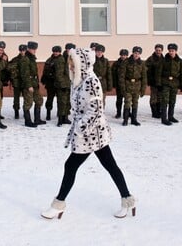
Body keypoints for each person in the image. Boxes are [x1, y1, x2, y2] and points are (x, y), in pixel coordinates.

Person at [41, 48, 136, 220]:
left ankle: (58, 204)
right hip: (90, 134)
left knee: (71, 166)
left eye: (72, 63)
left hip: (92, 134)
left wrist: (79, 129)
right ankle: (128, 200)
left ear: (81, 64)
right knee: (110, 166)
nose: (69, 66)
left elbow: (96, 110)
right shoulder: (78, 80)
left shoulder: (91, 81)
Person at [157, 43, 182, 126]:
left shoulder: (179, 61)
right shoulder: (164, 60)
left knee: (172, 101)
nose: (171, 52)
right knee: (165, 101)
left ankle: (171, 116)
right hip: (165, 83)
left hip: (175, 83)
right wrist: (159, 84)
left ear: (176, 51)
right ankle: (164, 118)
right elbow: (159, 72)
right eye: (169, 51)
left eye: (172, 51)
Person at [118, 46, 146, 126]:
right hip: (128, 85)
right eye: (135, 53)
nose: (136, 55)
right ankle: (125, 119)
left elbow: (144, 77)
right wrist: (123, 88)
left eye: (138, 53)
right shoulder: (126, 62)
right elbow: (122, 76)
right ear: (132, 53)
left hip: (137, 86)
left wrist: (143, 89)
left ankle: (134, 119)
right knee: (127, 102)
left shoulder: (142, 63)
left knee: (135, 103)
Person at [23, 41, 45, 126]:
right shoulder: (26, 59)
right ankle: (27, 121)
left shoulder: (32, 58)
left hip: (35, 84)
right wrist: (29, 86)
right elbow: (25, 74)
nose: (34, 50)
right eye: (33, 49)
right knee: (28, 103)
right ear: (28, 48)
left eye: (35, 49)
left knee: (39, 100)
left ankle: (37, 119)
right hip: (29, 84)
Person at [41, 46, 61, 121]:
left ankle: (60, 113)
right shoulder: (49, 60)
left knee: (60, 100)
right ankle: (48, 113)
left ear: (60, 52)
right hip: (50, 83)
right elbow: (45, 70)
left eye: (57, 51)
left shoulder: (62, 60)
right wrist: (44, 78)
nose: (55, 53)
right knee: (49, 99)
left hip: (59, 83)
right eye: (54, 51)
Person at [8, 44, 28, 120]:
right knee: (16, 98)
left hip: (25, 82)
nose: (22, 52)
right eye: (21, 50)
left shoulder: (28, 59)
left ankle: (26, 112)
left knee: (26, 98)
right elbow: (9, 68)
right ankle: (16, 112)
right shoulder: (15, 59)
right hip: (17, 82)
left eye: (24, 50)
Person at [145, 44, 164, 119]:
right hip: (153, 82)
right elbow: (146, 69)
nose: (158, 52)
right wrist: (150, 79)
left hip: (161, 82)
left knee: (160, 97)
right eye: (157, 50)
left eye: (159, 50)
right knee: (153, 97)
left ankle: (158, 111)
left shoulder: (164, 59)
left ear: (162, 50)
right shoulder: (151, 59)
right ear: (155, 50)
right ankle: (154, 112)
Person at [111, 49, 129, 119]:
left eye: (125, 55)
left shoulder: (129, 63)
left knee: (128, 100)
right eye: (122, 55)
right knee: (119, 100)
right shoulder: (116, 63)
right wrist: (114, 84)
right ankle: (118, 112)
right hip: (119, 85)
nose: (123, 56)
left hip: (128, 85)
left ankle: (127, 112)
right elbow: (113, 74)